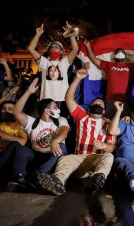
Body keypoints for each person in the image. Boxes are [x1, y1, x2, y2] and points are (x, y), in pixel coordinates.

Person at [37, 68, 116, 196]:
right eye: (94, 103)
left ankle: (97, 180)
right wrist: (77, 79)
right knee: (65, 159)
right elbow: (68, 99)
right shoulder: (82, 116)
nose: (97, 104)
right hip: (80, 160)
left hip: (97, 160)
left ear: (104, 111)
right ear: (89, 108)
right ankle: (57, 182)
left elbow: (111, 147)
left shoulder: (109, 124)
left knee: (109, 156)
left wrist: (104, 146)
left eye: (100, 104)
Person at [10, 78, 69, 189]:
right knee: (20, 148)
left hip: (53, 156)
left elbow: (64, 132)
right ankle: (19, 178)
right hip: (36, 155)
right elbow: (16, 112)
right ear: (47, 110)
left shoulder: (60, 120)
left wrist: (55, 141)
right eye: (55, 107)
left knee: (62, 146)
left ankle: (38, 176)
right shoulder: (33, 122)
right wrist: (28, 92)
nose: (57, 109)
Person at [27, 22, 79, 117]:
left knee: (62, 123)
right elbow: (31, 48)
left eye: (56, 47)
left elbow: (75, 49)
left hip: (63, 99)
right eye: (51, 48)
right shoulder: (44, 62)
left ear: (61, 51)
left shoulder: (64, 62)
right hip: (46, 99)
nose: (53, 49)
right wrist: (38, 34)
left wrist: (71, 33)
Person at [0, 101, 28, 183]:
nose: (6, 111)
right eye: (4, 108)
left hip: (12, 159)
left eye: (10, 109)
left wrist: (3, 134)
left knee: (16, 144)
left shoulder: (19, 125)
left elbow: (22, 141)